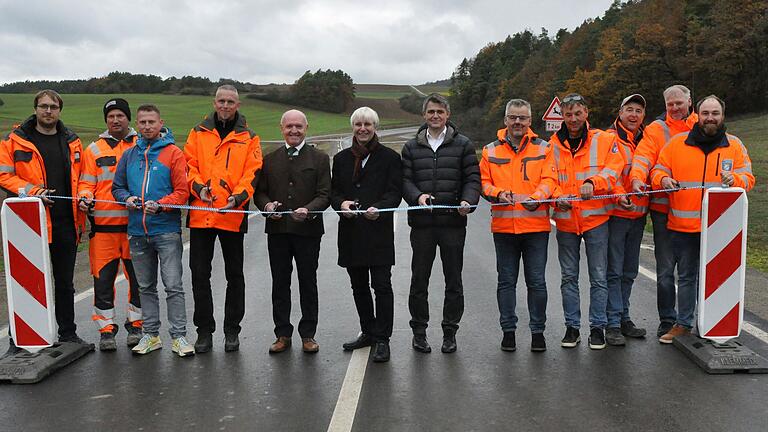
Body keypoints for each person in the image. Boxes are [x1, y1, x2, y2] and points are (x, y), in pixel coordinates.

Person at [650, 95, 754, 343]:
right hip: (684, 226)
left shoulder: (735, 146)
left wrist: (735, 181)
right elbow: (658, 170)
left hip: (722, 228)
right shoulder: (677, 144)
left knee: (718, 278)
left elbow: (748, 178)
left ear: (723, 116)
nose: (710, 118)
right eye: (706, 113)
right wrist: (663, 180)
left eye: (715, 113)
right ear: (697, 115)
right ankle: (683, 324)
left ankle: (713, 326)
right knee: (686, 277)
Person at [0, 89, 87, 356]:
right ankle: (19, 340)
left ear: (60, 110)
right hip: (28, 224)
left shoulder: (72, 141)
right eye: (43, 106)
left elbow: (83, 177)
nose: (48, 111)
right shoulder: (14, 142)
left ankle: (69, 333)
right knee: (25, 283)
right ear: (35, 109)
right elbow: (5, 177)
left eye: (53, 107)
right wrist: (33, 191)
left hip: (66, 222)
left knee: (64, 282)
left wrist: (84, 196)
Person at [184, 85, 262, 353]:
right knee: (199, 275)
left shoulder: (249, 137)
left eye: (231, 101)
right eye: (221, 101)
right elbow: (188, 165)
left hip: (231, 214)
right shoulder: (198, 132)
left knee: (234, 275)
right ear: (214, 103)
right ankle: (204, 331)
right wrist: (197, 188)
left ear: (238, 105)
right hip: (201, 214)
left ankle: (232, 330)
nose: (226, 105)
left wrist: (238, 197)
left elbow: (253, 172)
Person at [401, 93, 481, 354]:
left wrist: (468, 200)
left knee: (453, 281)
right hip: (422, 225)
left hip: (452, 224)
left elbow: (472, 179)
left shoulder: (464, 144)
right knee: (419, 281)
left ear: (448, 115)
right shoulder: (412, 147)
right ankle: (419, 333)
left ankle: (450, 332)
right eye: (431, 112)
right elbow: (405, 181)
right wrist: (417, 196)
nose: (435, 116)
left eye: (440, 112)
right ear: (424, 115)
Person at [112, 104, 193, 357]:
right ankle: (151, 335)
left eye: (151, 122)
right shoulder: (129, 154)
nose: (147, 126)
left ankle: (179, 337)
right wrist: (127, 199)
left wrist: (161, 206)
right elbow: (117, 187)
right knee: (145, 287)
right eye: (143, 122)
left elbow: (183, 192)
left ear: (160, 123)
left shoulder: (173, 153)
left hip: (166, 231)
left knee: (173, 286)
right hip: (137, 232)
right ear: (137, 124)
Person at [480, 99, 556, 352]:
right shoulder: (490, 151)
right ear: (505, 120)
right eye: (513, 117)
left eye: (522, 118)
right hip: (504, 229)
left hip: (535, 229)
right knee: (506, 282)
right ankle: (508, 332)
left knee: (537, 282)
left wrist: (538, 197)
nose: (517, 122)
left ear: (530, 121)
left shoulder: (544, 148)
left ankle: (538, 332)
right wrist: (498, 193)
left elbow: (550, 179)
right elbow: (484, 183)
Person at [549, 93, 624, 350]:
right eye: (568, 114)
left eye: (577, 113)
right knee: (568, 277)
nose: (573, 119)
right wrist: (557, 198)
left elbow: (615, 168)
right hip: (566, 221)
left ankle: (597, 328)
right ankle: (572, 328)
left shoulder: (604, 140)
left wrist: (594, 182)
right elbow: (547, 179)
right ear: (562, 116)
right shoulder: (552, 145)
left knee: (599, 276)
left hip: (595, 220)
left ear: (586, 113)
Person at [255, 109, 331, 354]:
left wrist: (308, 210)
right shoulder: (269, 159)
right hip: (277, 231)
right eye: (289, 127)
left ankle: (308, 334)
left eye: (298, 126)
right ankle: (282, 334)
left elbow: (325, 195)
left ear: (306, 128)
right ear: (282, 128)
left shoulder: (319, 159)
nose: (294, 131)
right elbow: (260, 192)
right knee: (280, 283)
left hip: (308, 232)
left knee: (307, 282)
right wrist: (266, 206)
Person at [331, 107, 402, 363]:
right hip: (351, 232)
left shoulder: (390, 158)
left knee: (382, 286)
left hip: (378, 232)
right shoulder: (340, 160)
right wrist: (342, 205)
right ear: (353, 127)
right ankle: (368, 332)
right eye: (358, 124)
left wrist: (381, 209)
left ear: (375, 127)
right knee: (358, 286)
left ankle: (383, 338)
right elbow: (334, 192)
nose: (363, 129)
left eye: (368, 125)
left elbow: (395, 192)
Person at [629, 84, 698, 338]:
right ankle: (667, 320)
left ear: (690, 102)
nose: (675, 108)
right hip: (663, 210)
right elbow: (643, 158)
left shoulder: (701, 124)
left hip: (696, 209)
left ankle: (691, 319)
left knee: (694, 269)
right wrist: (637, 179)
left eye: (679, 103)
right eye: (671, 104)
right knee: (666, 270)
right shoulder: (656, 130)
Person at [77, 98, 142, 351]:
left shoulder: (142, 144)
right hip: (103, 231)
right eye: (111, 116)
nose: (115, 120)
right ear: (106, 120)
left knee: (139, 282)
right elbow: (86, 183)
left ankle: (136, 326)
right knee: (102, 283)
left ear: (128, 118)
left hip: (135, 229)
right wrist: (85, 198)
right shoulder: (93, 150)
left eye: (120, 116)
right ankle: (106, 331)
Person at [604, 94, 649, 346]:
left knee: (629, 271)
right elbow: (608, 174)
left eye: (638, 111)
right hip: (616, 215)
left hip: (639, 215)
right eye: (629, 109)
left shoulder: (646, 139)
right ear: (620, 113)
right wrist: (620, 196)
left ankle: (624, 317)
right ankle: (612, 323)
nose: (633, 115)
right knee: (614, 270)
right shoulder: (609, 139)